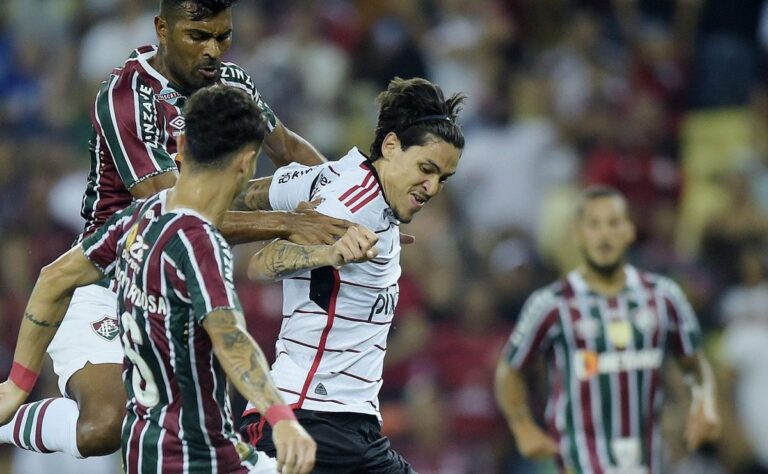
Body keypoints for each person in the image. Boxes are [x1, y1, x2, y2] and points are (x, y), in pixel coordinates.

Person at [0, 0, 350, 459]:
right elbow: (175, 213)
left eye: (223, 37)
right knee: (105, 428)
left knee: (200, 438)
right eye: (198, 36)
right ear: (162, 29)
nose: (213, 51)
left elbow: (288, 149)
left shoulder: (233, 84)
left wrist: (352, 204)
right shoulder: (127, 94)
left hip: (182, 289)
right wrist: (289, 222)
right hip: (112, 275)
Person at [235, 76, 466, 473]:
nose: (432, 188)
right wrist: (328, 251)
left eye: (442, 179)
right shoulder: (353, 203)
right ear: (391, 146)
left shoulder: (339, 176)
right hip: (310, 417)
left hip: (347, 424)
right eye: (426, 169)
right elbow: (261, 262)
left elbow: (251, 194)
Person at [494, 185, 721, 474]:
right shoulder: (551, 305)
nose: (604, 235)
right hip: (579, 462)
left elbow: (693, 361)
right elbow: (509, 370)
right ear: (578, 234)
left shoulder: (664, 296)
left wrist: (704, 404)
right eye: (594, 225)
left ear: (629, 230)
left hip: (647, 461)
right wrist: (523, 427)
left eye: (613, 223)